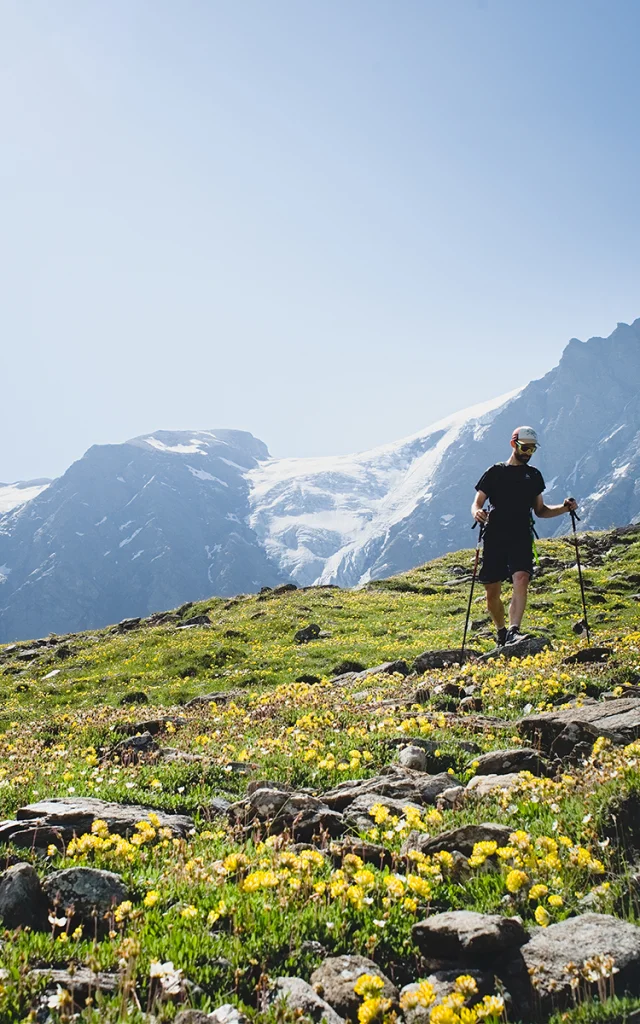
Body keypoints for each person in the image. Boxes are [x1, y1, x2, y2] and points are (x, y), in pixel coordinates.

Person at [471, 426, 578, 646]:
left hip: (521, 534)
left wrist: (565, 508)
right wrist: (477, 513)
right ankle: (501, 631)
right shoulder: (495, 472)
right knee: (492, 591)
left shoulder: (534, 476)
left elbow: (541, 510)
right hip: (495, 535)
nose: (528, 452)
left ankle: (513, 631)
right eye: (525, 447)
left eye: (532, 449)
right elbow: (477, 502)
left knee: (522, 578)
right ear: (513, 444)